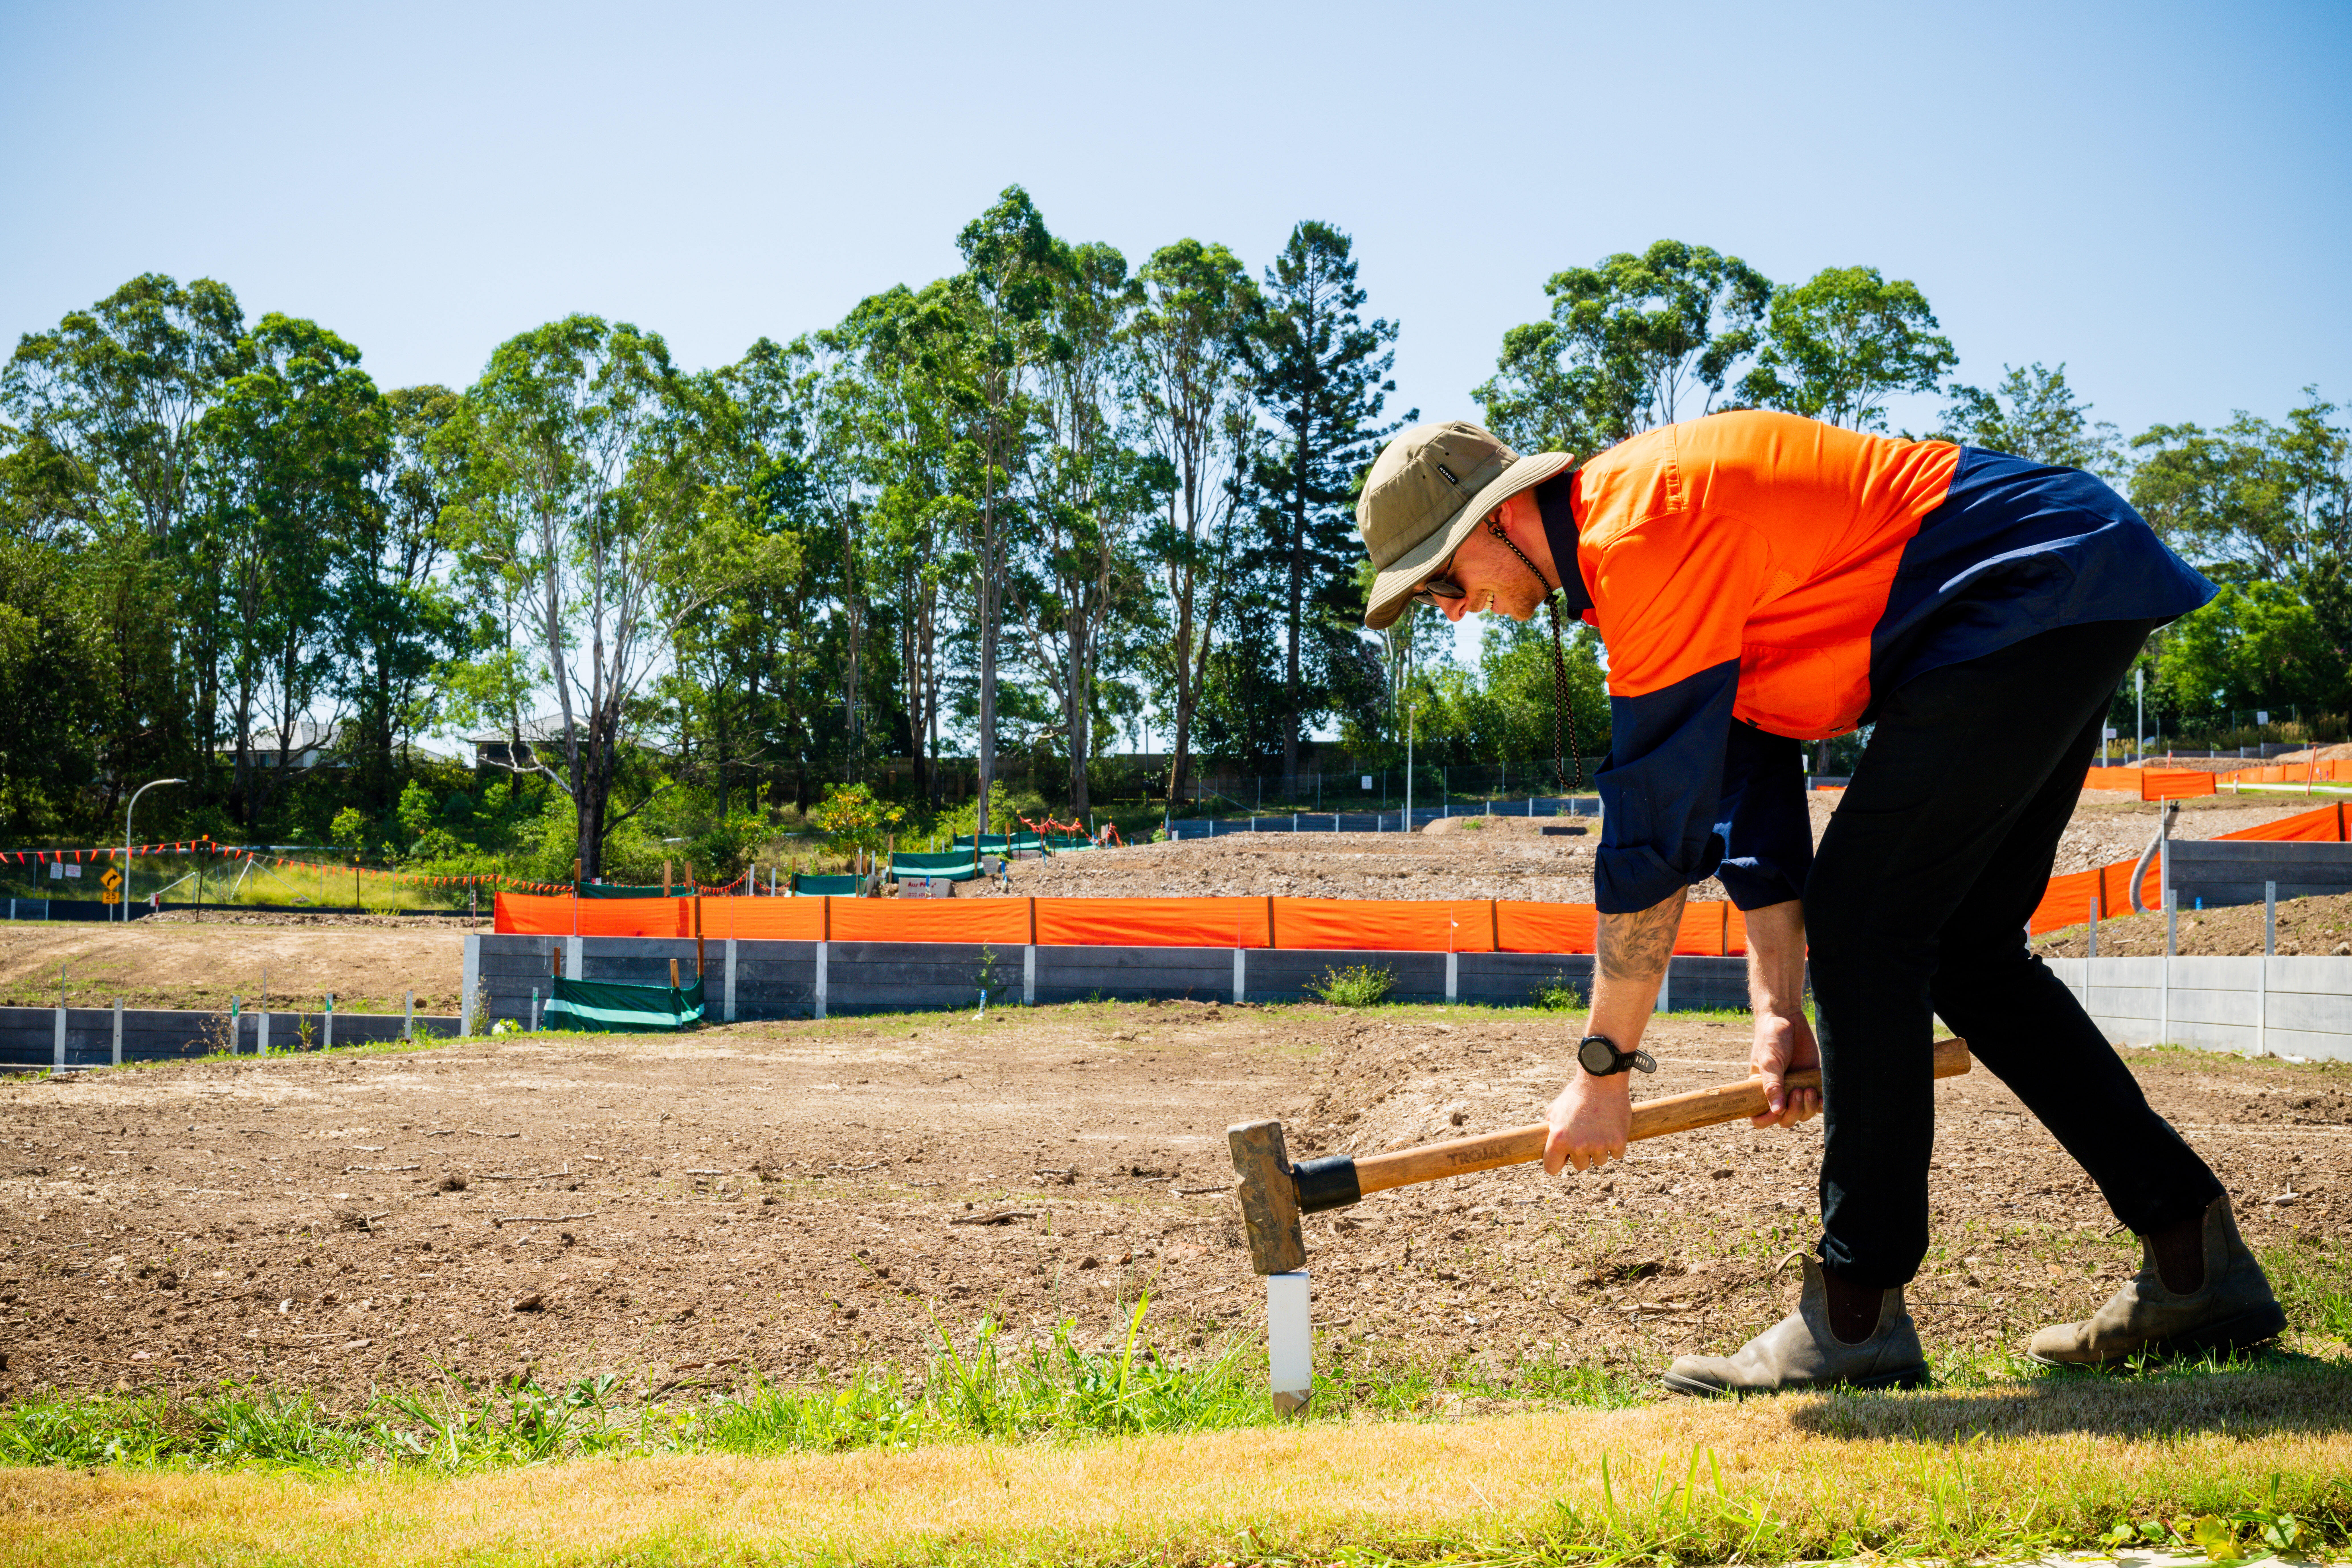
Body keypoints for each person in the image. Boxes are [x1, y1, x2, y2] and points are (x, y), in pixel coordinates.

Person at [1354, 411, 2285, 1393]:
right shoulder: (1635, 552)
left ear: (1496, 520)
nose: (1450, 612)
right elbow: (1749, 789)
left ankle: (1855, 1316)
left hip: (2028, 584)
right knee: (1963, 949)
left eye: (1442, 582)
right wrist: (1778, 1011)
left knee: (1869, 926)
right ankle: (2195, 1266)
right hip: (2069, 576)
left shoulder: (1641, 534)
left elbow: (1653, 847)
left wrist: (1604, 1068)